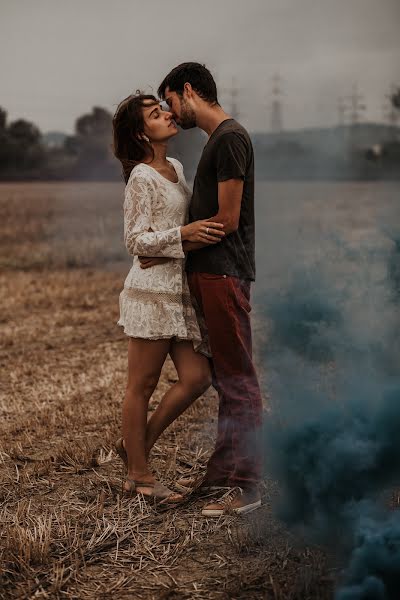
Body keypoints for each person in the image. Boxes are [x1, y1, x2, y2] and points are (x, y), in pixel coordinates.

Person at [141, 63, 263, 516]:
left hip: (224, 273)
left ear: (187, 90)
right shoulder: (219, 141)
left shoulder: (229, 138)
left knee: (238, 380)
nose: (171, 112)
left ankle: (246, 487)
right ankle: (223, 474)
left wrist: (179, 239)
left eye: (169, 101)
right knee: (225, 379)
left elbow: (227, 220)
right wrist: (173, 246)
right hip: (210, 273)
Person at [112, 92, 225, 502]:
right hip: (149, 293)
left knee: (197, 378)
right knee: (140, 385)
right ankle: (139, 478)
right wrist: (182, 236)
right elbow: (134, 240)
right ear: (142, 133)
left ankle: (135, 445)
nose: (166, 116)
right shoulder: (141, 177)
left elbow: (184, 227)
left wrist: (192, 235)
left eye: (163, 109)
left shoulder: (175, 167)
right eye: (155, 115)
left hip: (176, 290)